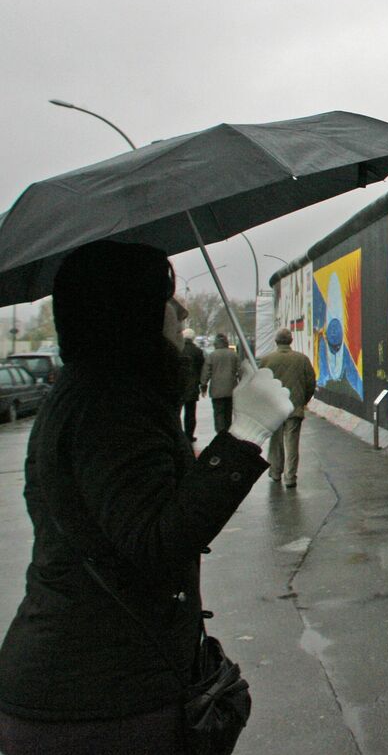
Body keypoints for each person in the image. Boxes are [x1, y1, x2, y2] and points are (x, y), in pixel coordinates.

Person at [0, 240, 293, 754]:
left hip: (93, 688)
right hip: (100, 703)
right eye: (167, 296)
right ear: (130, 309)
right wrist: (245, 433)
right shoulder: (111, 404)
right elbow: (156, 541)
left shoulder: (95, 392)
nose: (182, 311)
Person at [258, 327, 317, 488]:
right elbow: (311, 382)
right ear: (290, 341)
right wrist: (303, 401)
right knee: (292, 443)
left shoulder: (267, 360)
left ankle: (275, 472)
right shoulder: (302, 359)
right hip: (294, 407)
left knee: (275, 443)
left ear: (276, 341)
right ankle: (290, 477)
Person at [201, 333, 240, 434]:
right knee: (228, 412)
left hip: (216, 390)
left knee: (218, 412)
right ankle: (227, 431)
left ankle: (220, 432)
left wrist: (203, 385)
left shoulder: (212, 355)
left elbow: (206, 372)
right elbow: (240, 370)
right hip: (231, 388)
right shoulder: (233, 355)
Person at [178, 328, 205, 443]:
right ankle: (189, 435)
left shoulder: (178, 349)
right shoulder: (198, 351)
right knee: (190, 413)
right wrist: (201, 383)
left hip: (179, 385)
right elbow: (201, 368)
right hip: (192, 386)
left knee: (177, 412)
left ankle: (178, 435)